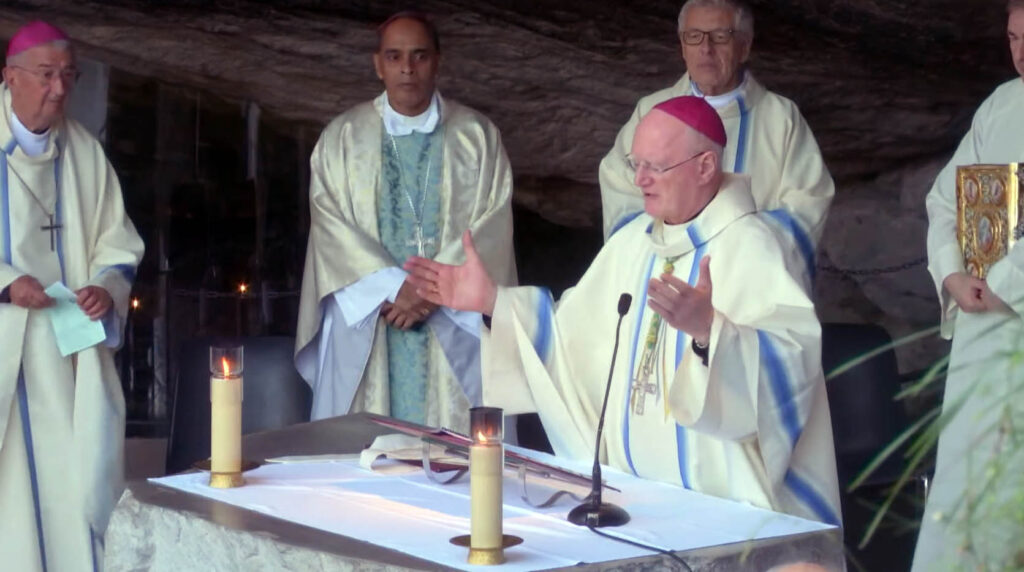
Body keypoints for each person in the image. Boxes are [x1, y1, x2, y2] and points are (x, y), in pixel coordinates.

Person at [406, 96, 840, 525]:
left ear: (706, 166)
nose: (639, 180)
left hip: (720, 511)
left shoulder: (751, 246)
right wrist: (492, 301)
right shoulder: (632, 243)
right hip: (628, 502)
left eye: (656, 166)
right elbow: (568, 340)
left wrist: (709, 332)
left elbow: (791, 362)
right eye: (637, 163)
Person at [294, 12, 516, 434]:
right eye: (394, 56)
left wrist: (431, 292)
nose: (407, 68)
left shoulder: (477, 136)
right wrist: (394, 287)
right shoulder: (343, 138)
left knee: (463, 459)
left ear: (437, 62)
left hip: (453, 318)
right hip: (372, 317)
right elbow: (330, 227)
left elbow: (493, 225)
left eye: (419, 56)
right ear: (378, 64)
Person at [0, 21, 145, 571]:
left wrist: (105, 288)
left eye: (68, 75)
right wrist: (7, 281)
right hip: (5, 345)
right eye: (46, 75)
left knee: (74, 474)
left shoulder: (84, 151)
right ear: (10, 76)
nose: (59, 89)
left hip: (69, 350)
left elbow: (117, 239)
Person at [599, 0, 833, 282]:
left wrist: (738, 243)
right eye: (694, 36)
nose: (706, 48)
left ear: (744, 47)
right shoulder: (650, 111)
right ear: (682, 47)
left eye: (720, 36)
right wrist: (671, 241)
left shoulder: (781, 118)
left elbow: (808, 202)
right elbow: (620, 184)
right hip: (666, 272)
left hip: (744, 277)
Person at [914, 2, 1024, 569]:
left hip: (1013, 314)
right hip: (982, 333)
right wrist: (953, 272)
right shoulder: (1002, 104)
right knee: (971, 486)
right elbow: (944, 198)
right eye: (1013, 37)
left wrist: (1006, 281)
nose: (1021, 52)